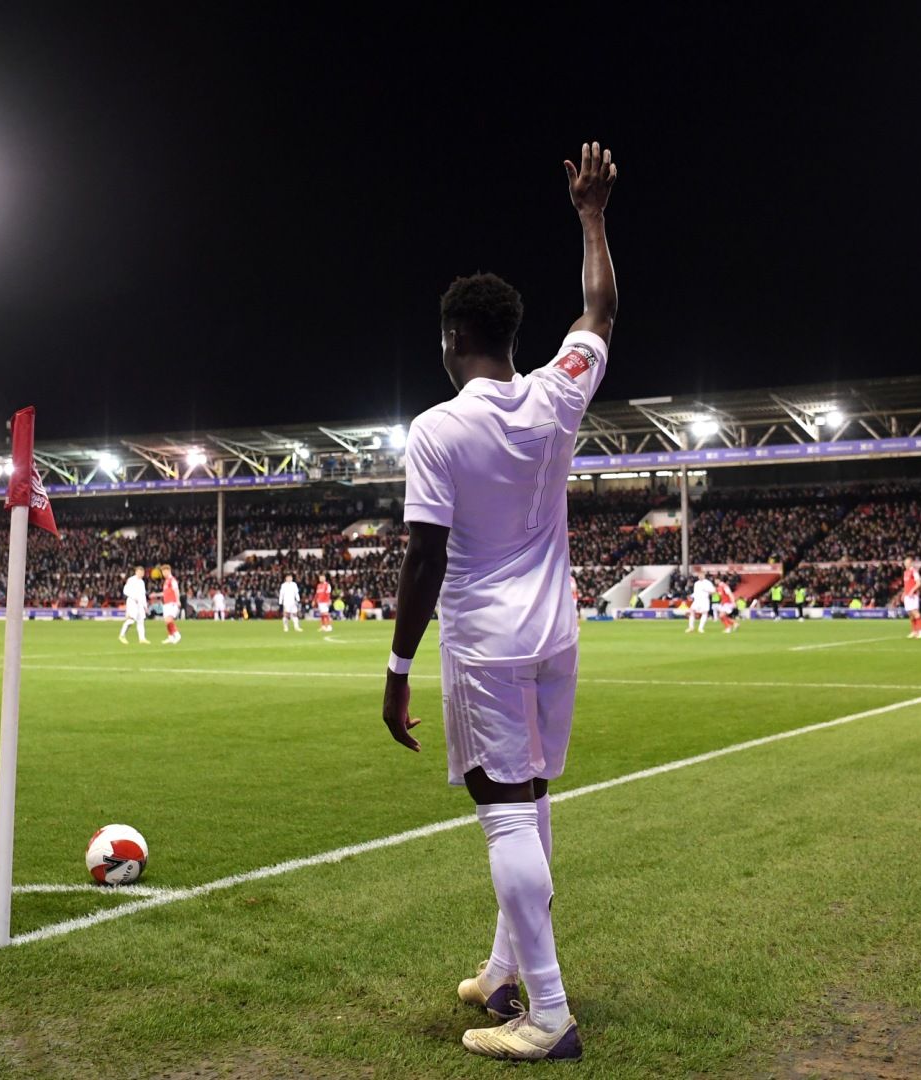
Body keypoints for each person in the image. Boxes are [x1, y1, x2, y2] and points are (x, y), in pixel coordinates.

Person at [380, 139, 615, 1062]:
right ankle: (504, 967)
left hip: (483, 641)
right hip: (556, 634)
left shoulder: (437, 428)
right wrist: (591, 215)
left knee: (505, 811)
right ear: (513, 340)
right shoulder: (556, 394)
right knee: (534, 797)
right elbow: (600, 306)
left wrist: (396, 667)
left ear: (449, 342)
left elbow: (424, 558)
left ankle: (548, 1014)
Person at [119, 566, 149, 644]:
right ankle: (122, 635)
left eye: (142, 573)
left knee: (141, 621)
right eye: (139, 572)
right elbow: (125, 591)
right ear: (136, 572)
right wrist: (133, 597)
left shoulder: (142, 582)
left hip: (140, 604)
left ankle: (142, 639)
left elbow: (143, 595)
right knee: (131, 620)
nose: (141, 574)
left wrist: (145, 606)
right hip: (132, 602)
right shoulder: (131, 580)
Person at [901, 557, 921, 639]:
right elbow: (906, 584)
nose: (905, 564)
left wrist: (912, 591)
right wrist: (904, 593)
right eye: (904, 563)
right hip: (907, 595)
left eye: (906, 563)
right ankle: (914, 631)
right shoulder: (905, 572)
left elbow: (918, 583)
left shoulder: (914, 571)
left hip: (913, 595)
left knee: (915, 612)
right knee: (910, 614)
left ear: (910, 563)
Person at [158, 564, 182, 644]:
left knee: (169, 620)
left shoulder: (172, 580)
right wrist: (156, 595)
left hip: (172, 602)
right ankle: (170, 637)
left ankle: (177, 634)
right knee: (166, 621)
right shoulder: (166, 581)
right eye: (162, 572)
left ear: (168, 571)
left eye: (164, 572)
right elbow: (165, 593)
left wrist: (178, 600)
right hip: (166, 603)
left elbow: (176, 590)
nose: (163, 574)